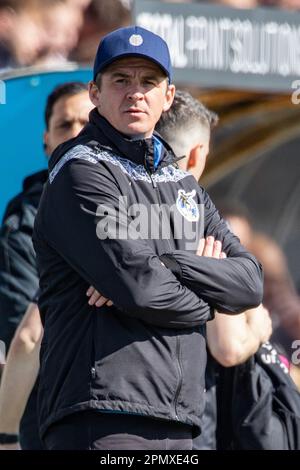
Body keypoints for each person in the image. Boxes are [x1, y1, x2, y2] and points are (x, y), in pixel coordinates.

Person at [33, 25, 263, 450]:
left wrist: (168, 263)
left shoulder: (185, 186)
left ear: (168, 97)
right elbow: (141, 288)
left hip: (180, 421)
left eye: (149, 82)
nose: (135, 92)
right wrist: (210, 294)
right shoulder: (81, 172)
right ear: (96, 94)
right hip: (101, 416)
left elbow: (250, 283)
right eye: (121, 80)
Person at [156, 90, 272, 449]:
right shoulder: (200, 230)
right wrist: (260, 327)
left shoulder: (116, 215)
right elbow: (230, 347)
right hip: (184, 428)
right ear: (197, 154)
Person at [0, 81, 94, 450]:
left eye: (87, 123)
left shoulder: (142, 205)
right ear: (46, 141)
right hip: (55, 420)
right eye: (64, 125)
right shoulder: (23, 227)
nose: (75, 134)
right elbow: (27, 337)